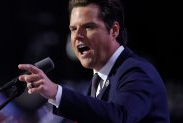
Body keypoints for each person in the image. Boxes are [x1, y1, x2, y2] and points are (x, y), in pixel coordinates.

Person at [18, 0, 170, 122]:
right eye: (73, 29)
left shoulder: (137, 72)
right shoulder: (98, 80)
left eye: (88, 27)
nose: (77, 36)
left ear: (114, 30)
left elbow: (120, 116)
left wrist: (56, 93)